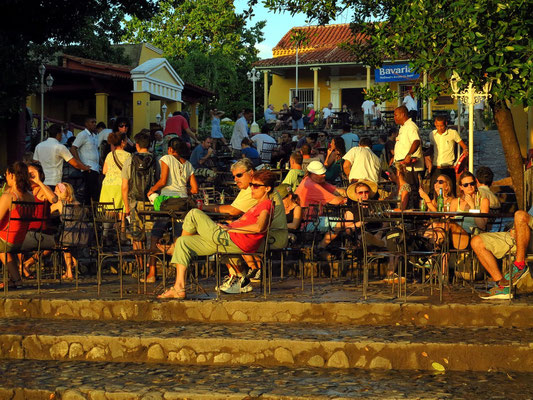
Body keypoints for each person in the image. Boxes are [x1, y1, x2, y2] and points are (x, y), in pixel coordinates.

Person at [158, 170, 278, 298]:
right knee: (184, 242)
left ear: (267, 188)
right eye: (251, 185)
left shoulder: (267, 204)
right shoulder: (258, 204)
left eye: (256, 186)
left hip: (233, 240)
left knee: (194, 213)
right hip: (228, 239)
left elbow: (259, 227)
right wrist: (228, 227)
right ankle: (178, 288)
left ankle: (174, 248)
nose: (252, 189)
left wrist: (229, 229)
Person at [144, 138, 198, 282]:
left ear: (170, 149)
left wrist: (151, 190)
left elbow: (163, 180)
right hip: (183, 204)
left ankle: (152, 273)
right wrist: (183, 190)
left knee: (155, 235)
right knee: (179, 239)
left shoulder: (166, 158)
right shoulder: (188, 164)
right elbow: (195, 189)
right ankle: (180, 276)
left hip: (167, 204)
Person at [471, 210, 532, 299]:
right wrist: (515, 228)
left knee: (520, 215)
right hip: (523, 235)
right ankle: (502, 287)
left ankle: (520, 265)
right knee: (477, 242)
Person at [19, 163, 58, 279]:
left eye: (33, 173)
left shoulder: (43, 190)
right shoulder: (24, 191)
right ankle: (22, 267)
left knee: (54, 245)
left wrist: (39, 181)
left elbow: (54, 199)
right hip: (26, 232)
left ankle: (26, 264)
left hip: (41, 232)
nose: (30, 176)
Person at [0, 162, 35, 289]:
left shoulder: (9, 196)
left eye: (6, 174)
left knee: (3, 249)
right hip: (20, 239)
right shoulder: (30, 196)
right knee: (5, 250)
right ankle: (16, 280)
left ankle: (15, 279)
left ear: (12, 175)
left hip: (7, 238)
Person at [448, 171, 489, 249]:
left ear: (476, 183)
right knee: (439, 225)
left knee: (450, 225)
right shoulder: (455, 202)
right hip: (454, 235)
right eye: (466, 185)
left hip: (471, 236)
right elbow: (449, 220)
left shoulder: (483, 201)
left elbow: (482, 226)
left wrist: (473, 207)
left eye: (472, 183)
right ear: (461, 187)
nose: (469, 186)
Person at [427, 116, 468, 194]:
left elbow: (463, 146)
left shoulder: (452, 133)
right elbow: (431, 149)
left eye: (441, 126)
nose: (440, 128)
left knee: (450, 190)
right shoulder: (432, 134)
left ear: (446, 124)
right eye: (437, 126)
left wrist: (465, 151)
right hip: (437, 167)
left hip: (449, 168)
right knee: (433, 191)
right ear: (435, 124)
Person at [394, 105, 424, 207]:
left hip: (411, 167)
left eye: (396, 115)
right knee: (404, 189)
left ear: (403, 114)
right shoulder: (403, 127)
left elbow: (416, 141)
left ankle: (413, 215)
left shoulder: (411, 126)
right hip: (402, 165)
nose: (394, 118)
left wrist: (409, 155)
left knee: (412, 191)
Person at [99, 131, 131, 213]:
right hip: (120, 185)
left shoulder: (109, 154)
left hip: (107, 185)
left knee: (109, 212)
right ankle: (121, 225)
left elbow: (104, 171)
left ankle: (109, 225)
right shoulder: (127, 155)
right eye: (126, 140)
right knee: (121, 211)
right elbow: (129, 172)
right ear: (122, 142)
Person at [70, 116, 101, 204]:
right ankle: (88, 213)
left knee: (95, 191)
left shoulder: (95, 136)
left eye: (95, 122)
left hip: (95, 167)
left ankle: (92, 213)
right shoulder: (82, 134)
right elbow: (73, 148)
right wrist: (80, 164)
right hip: (88, 167)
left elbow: (96, 151)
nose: (94, 124)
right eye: (92, 122)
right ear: (86, 124)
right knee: (89, 192)